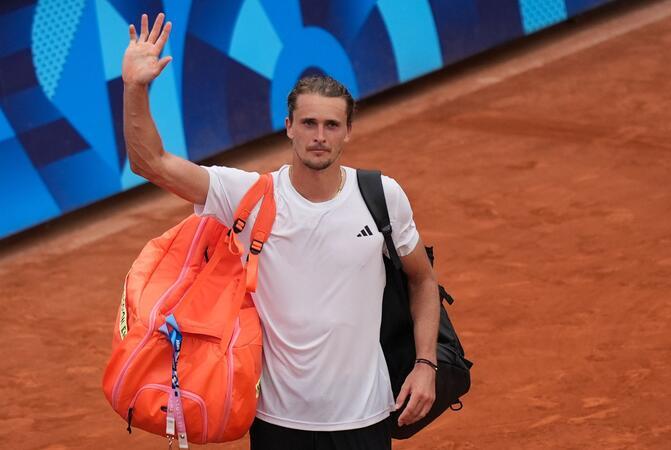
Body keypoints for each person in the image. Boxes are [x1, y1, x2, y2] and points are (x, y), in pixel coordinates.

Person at [122, 13, 441, 450]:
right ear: (289, 127)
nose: (319, 136)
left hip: (366, 419)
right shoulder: (249, 195)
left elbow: (421, 279)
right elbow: (150, 162)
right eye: (308, 123)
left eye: (331, 125)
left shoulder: (382, 196)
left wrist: (426, 364)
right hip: (277, 424)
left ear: (348, 132)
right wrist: (135, 88)